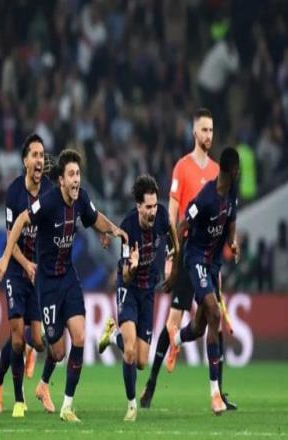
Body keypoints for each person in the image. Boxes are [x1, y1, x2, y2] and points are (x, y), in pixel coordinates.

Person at [0, 149, 128, 422]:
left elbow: (95, 217)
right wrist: (6, 257)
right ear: (62, 180)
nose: (76, 179)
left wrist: (112, 230)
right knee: (57, 351)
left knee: (79, 336)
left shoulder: (82, 198)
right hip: (47, 283)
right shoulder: (48, 201)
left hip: (68, 277)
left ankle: (67, 406)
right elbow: (20, 220)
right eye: (71, 175)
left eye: (78, 174)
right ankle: (42, 379)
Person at [141, 108, 236, 410]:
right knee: (172, 321)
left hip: (209, 259)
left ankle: (219, 392)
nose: (209, 135)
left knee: (212, 321)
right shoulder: (182, 167)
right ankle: (151, 384)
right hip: (186, 254)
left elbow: (225, 217)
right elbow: (173, 211)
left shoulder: (220, 171)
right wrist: (171, 251)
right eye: (204, 130)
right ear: (194, 132)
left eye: (212, 130)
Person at [98, 175, 178, 422]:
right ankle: (131, 405)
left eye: (154, 205)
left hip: (148, 290)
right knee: (130, 351)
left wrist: (174, 258)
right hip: (129, 288)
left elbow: (172, 230)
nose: (153, 211)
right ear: (138, 206)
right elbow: (125, 274)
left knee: (142, 361)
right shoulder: (128, 229)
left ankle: (113, 334)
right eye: (148, 207)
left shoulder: (162, 215)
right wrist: (131, 267)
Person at [166, 147, 240, 415]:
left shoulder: (232, 194)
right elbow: (182, 226)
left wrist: (233, 242)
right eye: (238, 169)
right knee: (214, 312)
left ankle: (176, 339)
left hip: (213, 263)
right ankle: (215, 394)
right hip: (195, 258)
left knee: (200, 326)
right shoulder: (206, 197)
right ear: (233, 171)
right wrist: (175, 266)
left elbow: (231, 223)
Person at [0, 135, 58, 417]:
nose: (39, 159)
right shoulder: (14, 193)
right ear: (25, 161)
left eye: (42, 155)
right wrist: (25, 264)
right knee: (17, 338)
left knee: (39, 341)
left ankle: (28, 357)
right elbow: (11, 236)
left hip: (38, 274)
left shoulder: (50, 191)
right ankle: (11, 394)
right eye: (34, 155)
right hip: (18, 272)